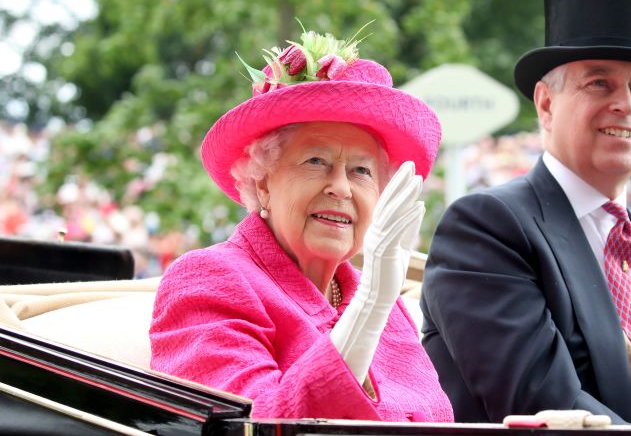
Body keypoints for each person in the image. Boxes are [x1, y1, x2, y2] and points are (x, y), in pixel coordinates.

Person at [420, 0, 631, 425]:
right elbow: (543, 405)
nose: (626, 104)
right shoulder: (489, 228)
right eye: (599, 83)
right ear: (546, 104)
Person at [149, 26, 453, 422]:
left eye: (361, 171)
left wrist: (375, 300)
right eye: (316, 162)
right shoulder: (207, 280)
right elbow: (254, 426)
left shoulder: (378, 296)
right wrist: (368, 308)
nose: (341, 187)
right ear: (263, 181)